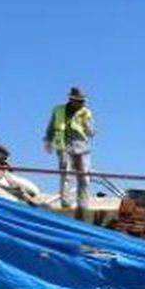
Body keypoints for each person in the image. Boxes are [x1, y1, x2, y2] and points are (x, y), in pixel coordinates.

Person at [43, 87, 95, 216]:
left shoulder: (86, 112)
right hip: (64, 146)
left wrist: (87, 125)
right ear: (72, 100)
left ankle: (83, 205)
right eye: (80, 101)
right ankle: (66, 204)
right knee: (66, 175)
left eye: (83, 101)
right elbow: (51, 127)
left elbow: (91, 132)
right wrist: (48, 141)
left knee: (84, 178)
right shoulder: (58, 110)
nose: (82, 104)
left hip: (82, 147)